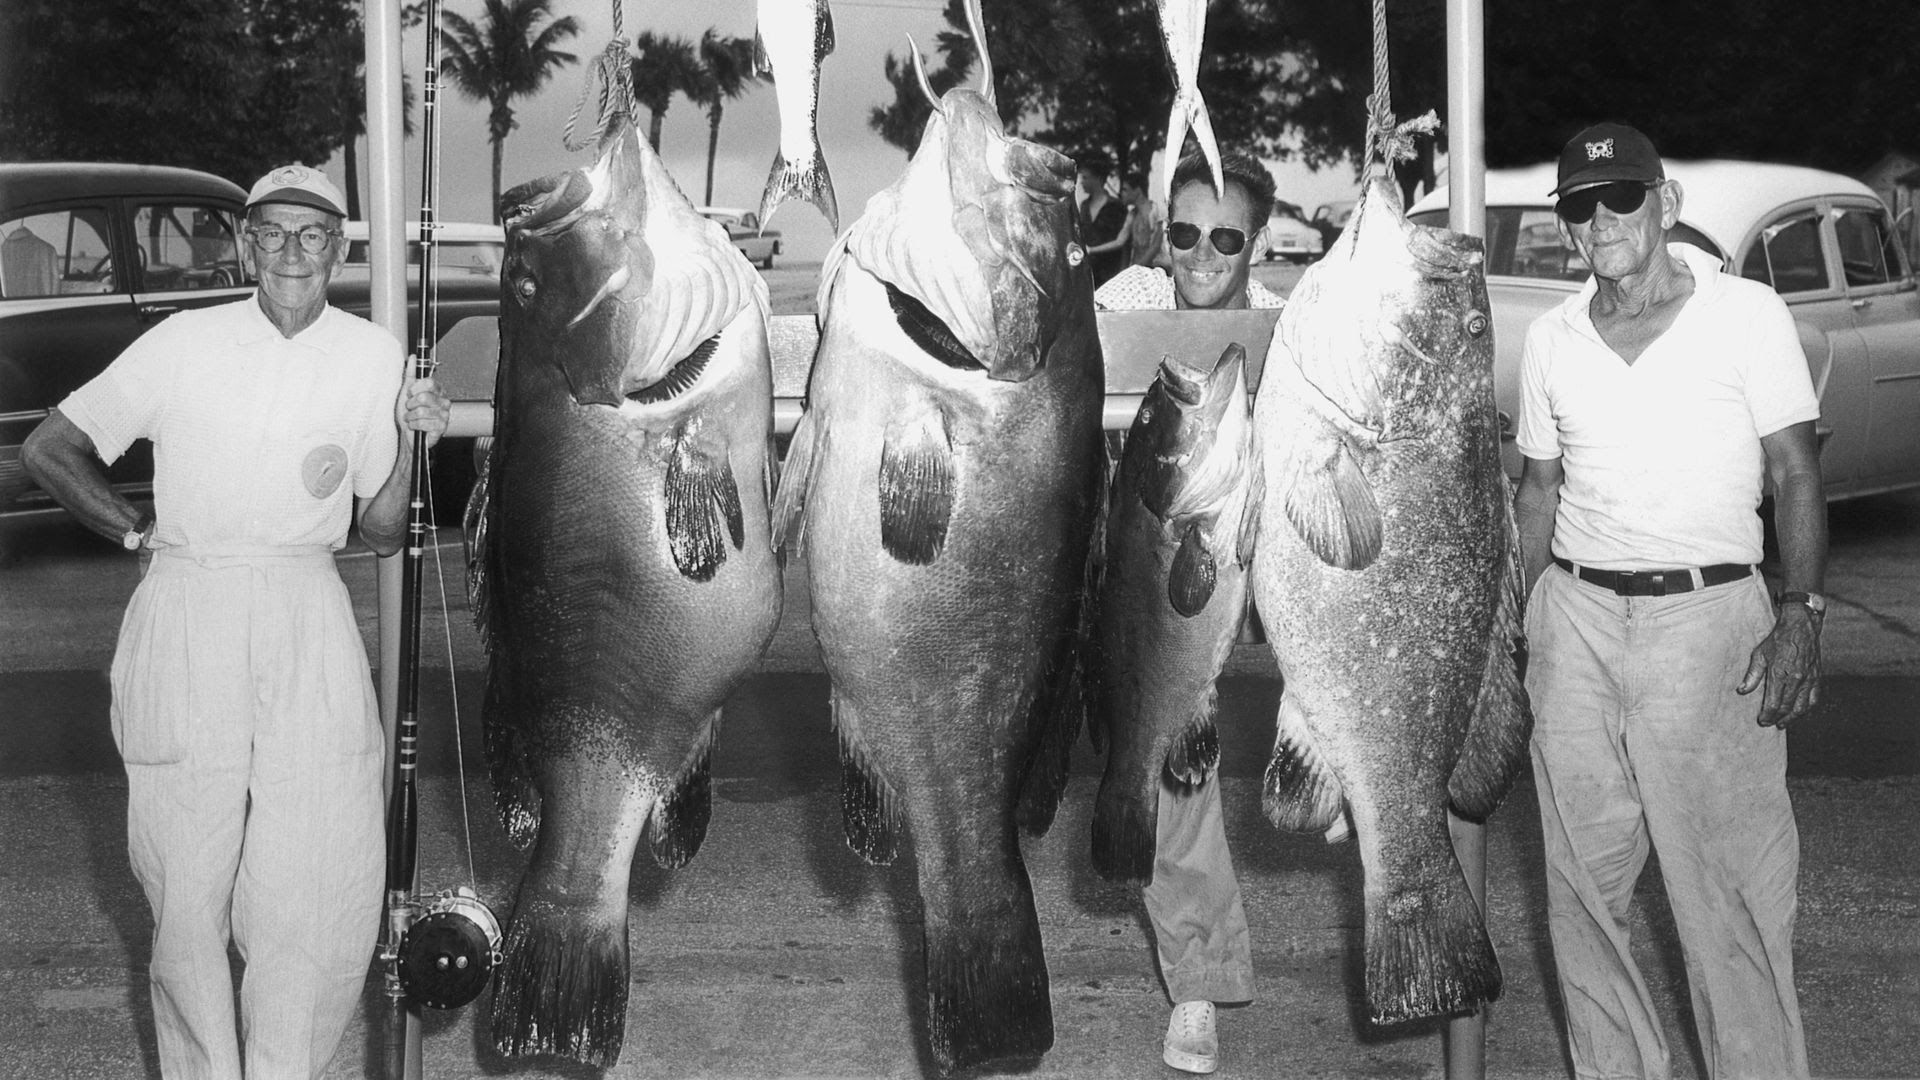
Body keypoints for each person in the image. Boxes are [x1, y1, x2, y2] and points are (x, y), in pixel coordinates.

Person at [20, 164, 451, 1079]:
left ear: (340, 249)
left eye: (315, 234)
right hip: (189, 602)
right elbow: (49, 446)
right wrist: (136, 529)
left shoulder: (375, 357)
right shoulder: (181, 341)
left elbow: (379, 534)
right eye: (276, 232)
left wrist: (414, 441)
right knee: (187, 881)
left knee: (317, 872)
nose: (295, 251)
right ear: (246, 243)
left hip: (308, 606)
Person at [1514, 122, 1824, 1080]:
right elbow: (1536, 493)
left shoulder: (1747, 313)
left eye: (1620, 198)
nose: (1600, 220)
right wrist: (1510, 629)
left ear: (1665, 205)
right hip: (1576, 619)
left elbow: (1795, 474)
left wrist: (1802, 615)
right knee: (1580, 890)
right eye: (1578, 205)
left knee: (1727, 893)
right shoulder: (1551, 337)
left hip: (1712, 620)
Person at [1093, 148, 1279, 1075]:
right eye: (1184, 232)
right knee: (1174, 766)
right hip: (1149, 578)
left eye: (1226, 236)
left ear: (1259, 241)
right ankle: (1197, 982)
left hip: (1256, 558)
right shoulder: (1123, 301)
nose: (1202, 254)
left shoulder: (1284, 323)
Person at [1077, 152, 1132, 287]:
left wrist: (1122, 277)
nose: (1081, 182)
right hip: (1087, 275)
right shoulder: (1084, 206)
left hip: (1111, 275)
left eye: (1085, 177)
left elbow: (1124, 245)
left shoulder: (1116, 206)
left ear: (1098, 179)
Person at [1121, 171, 1168, 270]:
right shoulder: (1132, 214)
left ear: (1137, 190)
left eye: (1125, 189)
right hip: (1137, 269)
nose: (1122, 194)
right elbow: (1120, 241)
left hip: (1155, 269)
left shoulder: (1157, 211)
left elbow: (1155, 246)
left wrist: (1136, 269)